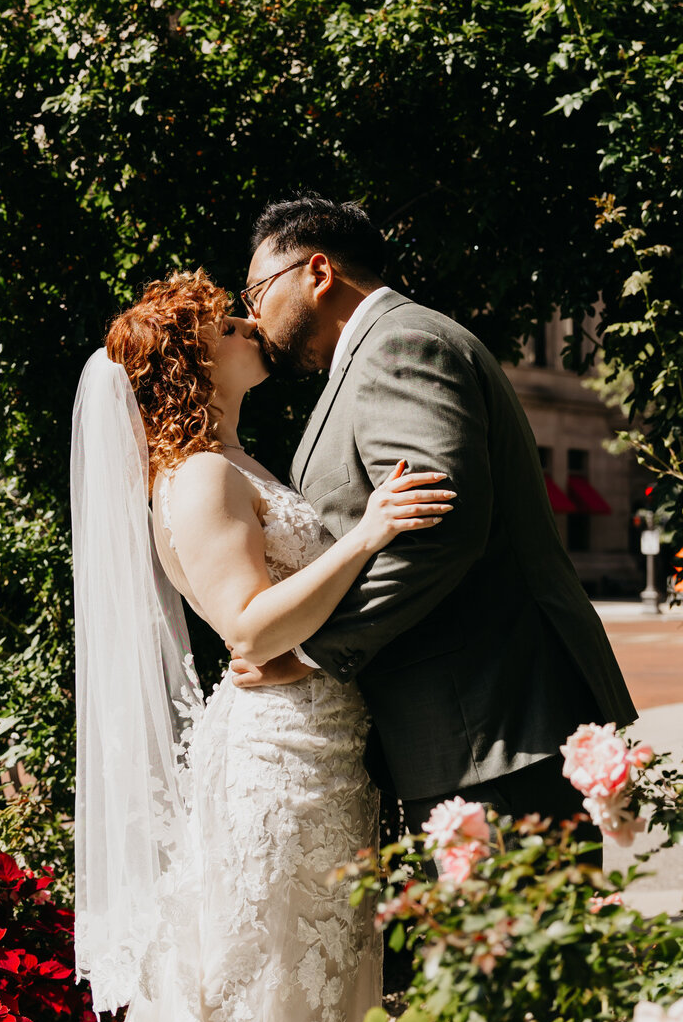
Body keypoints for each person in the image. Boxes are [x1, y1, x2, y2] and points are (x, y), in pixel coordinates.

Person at [50, 270, 450, 1022]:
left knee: (308, 990)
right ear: (194, 361)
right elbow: (250, 630)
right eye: (227, 323)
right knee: (263, 997)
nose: (247, 325)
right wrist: (366, 536)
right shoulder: (200, 479)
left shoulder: (235, 462)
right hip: (276, 769)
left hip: (316, 749)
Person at [230, 195, 637, 835]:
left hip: (490, 732)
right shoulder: (381, 352)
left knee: (506, 937)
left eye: (256, 291)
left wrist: (310, 651)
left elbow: (435, 534)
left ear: (317, 272)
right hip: (467, 733)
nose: (252, 316)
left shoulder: (401, 346)